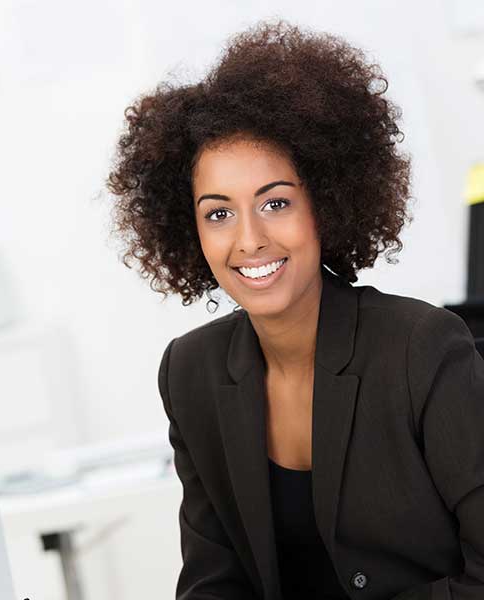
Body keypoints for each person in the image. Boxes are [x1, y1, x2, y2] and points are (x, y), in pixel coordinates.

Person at [105, 18, 484, 600]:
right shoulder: (191, 371)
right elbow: (214, 580)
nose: (249, 239)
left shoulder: (420, 347)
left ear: (326, 202)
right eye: (219, 212)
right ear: (190, 230)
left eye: (275, 202)